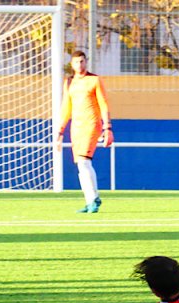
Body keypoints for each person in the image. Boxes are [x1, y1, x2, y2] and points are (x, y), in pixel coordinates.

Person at [55, 50, 113, 214]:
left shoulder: (94, 80)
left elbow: (104, 104)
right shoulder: (69, 83)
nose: (80, 65)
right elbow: (66, 108)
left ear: (86, 62)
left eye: (82, 61)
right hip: (76, 128)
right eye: (76, 62)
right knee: (81, 165)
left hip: (91, 125)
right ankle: (91, 199)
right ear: (72, 64)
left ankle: (93, 200)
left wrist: (107, 128)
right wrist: (60, 131)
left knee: (83, 161)